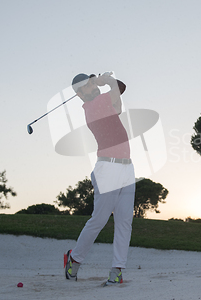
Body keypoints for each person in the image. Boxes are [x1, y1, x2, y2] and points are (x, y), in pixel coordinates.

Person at [64, 72, 135, 286]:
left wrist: (102, 81)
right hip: (107, 168)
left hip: (127, 168)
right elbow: (116, 89)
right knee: (100, 219)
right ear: (79, 94)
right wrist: (104, 80)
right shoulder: (93, 106)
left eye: (90, 83)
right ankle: (74, 259)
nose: (92, 87)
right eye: (86, 86)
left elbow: (119, 100)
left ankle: (117, 270)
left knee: (124, 221)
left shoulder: (104, 103)